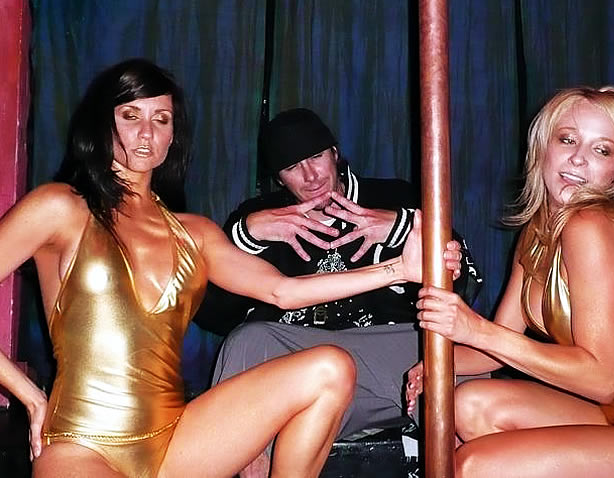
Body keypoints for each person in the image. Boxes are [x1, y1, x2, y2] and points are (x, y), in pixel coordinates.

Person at [0, 59, 462, 478]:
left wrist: (399, 270)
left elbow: (282, 292)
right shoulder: (60, 207)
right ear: (103, 124)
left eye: (161, 120)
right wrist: (31, 397)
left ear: (173, 135)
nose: (146, 133)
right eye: (130, 115)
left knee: (330, 368)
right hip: (82, 443)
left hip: (176, 441)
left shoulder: (194, 232)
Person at [406, 86, 614, 477]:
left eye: (602, 150)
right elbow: (495, 350)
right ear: (543, 146)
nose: (578, 158)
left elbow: (600, 379)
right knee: (469, 404)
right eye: (567, 139)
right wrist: (434, 363)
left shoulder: (591, 225)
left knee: (474, 466)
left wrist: (474, 328)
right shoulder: (539, 231)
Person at [193, 108, 482, 477]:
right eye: (293, 167)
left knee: (463, 367)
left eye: (316, 157)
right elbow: (213, 315)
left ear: (335, 153)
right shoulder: (263, 217)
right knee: (248, 341)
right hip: (305, 369)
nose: (311, 176)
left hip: (392, 363)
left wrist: (399, 228)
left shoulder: (393, 197)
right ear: (279, 178)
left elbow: (465, 286)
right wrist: (245, 237)